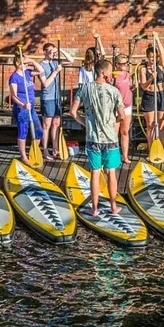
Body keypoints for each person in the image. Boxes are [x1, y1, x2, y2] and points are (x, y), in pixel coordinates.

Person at [69, 59, 126, 217]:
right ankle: (113, 207)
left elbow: (73, 112)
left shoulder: (85, 89)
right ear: (103, 72)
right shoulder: (114, 91)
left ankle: (94, 209)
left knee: (95, 173)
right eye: (109, 71)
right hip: (110, 139)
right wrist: (112, 124)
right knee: (111, 173)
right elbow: (121, 116)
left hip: (93, 138)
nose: (111, 73)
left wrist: (86, 123)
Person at [38, 42, 73, 161]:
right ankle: (45, 150)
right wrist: (55, 72)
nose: (53, 54)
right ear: (45, 52)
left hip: (57, 97)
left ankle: (55, 148)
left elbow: (71, 60)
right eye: (50, 52)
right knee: (46, 125)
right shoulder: (41, 65)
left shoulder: (55, 62)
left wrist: (60, 49)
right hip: (47, 98)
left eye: (54, 52)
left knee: (56, 124)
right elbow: (45, 84)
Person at [9, 53, 43, 165]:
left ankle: (33, 151)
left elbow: (41, 71)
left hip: (31, 108)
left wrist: (32, 61)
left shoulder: (28, 73)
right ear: (18, 63)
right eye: (23, 62)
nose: (26, 64)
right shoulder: (14, 77)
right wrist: (23, 104)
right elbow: (14, 96)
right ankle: (23, 156)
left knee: (39, 131)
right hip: (21, 109)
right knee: (23, 131)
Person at [139, 33, 164, 155]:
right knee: (150, 126)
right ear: (147, 57)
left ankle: (161, 151)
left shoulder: (160, 66)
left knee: (161, 125)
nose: (153, 59)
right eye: (151, 57)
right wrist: (151, 78)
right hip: (149, 97)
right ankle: (151, 151)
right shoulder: (143, 69)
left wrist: (157, 39)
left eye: (154, 57)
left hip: (161, 95)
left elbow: (162, 54)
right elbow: (143, 86)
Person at [112, 53, 133, 164]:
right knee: (114, 132)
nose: (125, 65)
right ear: (117, 64)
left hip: (127, 105)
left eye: (126, 63)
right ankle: (114, 155)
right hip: (116, 107)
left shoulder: (128, 75)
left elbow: (130, 87)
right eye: (123, 63)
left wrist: (134, 86)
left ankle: (125, 156)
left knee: (125, 131)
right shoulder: (113, 76)